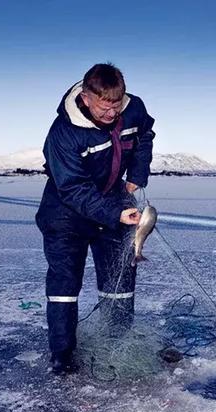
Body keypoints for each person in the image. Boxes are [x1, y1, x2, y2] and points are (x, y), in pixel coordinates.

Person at [35, 63, 155, 374]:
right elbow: (73, 188)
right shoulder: (63, 133)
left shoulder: (134, 108)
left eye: (117, 104)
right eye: (104, 107)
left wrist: (136, 176)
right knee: (64, 285)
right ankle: (62, 357)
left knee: (120, 282)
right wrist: (115, 212)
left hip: (116, 201)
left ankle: (117, 343)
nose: (111, 113)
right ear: (86, 98)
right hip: (66, 212)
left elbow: (145, 136)